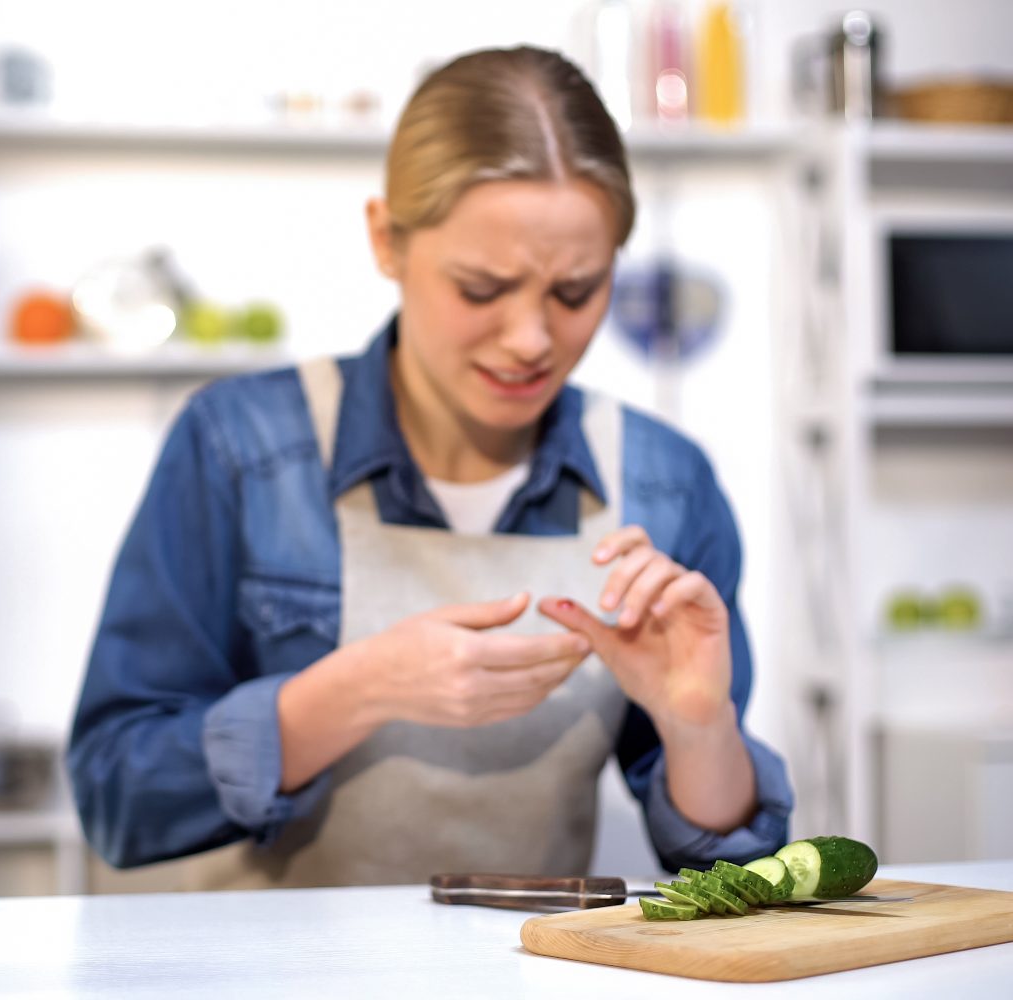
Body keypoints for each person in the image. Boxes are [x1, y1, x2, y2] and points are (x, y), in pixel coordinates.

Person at [67, 45, 792, 889]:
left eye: (575, 291)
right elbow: (115, 794)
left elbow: (734, 869)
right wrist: (352, 694)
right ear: (386, 240)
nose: (530, 340)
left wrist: (699, 725)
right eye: (483, 289)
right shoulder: (242, 447)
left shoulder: (666, 484)